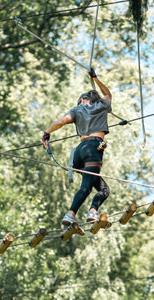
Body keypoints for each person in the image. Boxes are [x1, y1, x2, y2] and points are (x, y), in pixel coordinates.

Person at [42, 68, 111, 231]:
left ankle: (93, 211)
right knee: (86, 187)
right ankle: (71, 214)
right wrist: (96, 79)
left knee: (104, 190)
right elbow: (108, 94)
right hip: (94, 149)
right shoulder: (102, 105)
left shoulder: (76, 110)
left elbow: (61, 121)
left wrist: (47, 133)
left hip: (79, 152)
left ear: (82, 99)